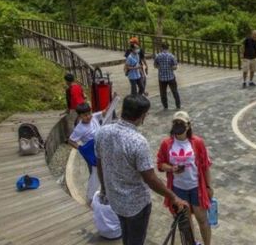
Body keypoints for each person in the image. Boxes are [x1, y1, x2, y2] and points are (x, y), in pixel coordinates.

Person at [95, 95, 188, 245]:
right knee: (136, 240)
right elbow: (150, 178)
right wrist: (173, 197)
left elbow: (100, 163)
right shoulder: (138, 142)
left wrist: (104, 189)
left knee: (126, 233)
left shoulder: (102, 132)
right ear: (142, 116)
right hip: (136, 205)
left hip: (115, 200)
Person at [157, 111, 213, 245]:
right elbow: (160, 164)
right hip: (178, 189)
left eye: (181, 123)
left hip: (196, 187)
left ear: (188, 126)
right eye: (175, 122)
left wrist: (209, 187)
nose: (177, 125)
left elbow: (205, 166)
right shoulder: (166, 144)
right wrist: (171, 168)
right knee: (186, 222)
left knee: (202, 219)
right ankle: (191, 243)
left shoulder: (197, 143)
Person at [68, 103, 106, 203]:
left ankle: (103, 190)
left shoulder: (93, 117)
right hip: (92, 154)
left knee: (102, 172)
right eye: (85, 115)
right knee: (95, 174)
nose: (88, 117)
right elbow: (71, 141)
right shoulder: (79, 128)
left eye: (89, 113)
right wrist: (82, 149)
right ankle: (90, 197)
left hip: (101, 149)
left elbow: (104, 112)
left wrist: (114, 100)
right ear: (80, 116)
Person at [154, 42, 181, 110]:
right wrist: (170, 67)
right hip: (171, 77)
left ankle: (165, 106)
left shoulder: (158, 56)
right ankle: (178, 105)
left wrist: (160, 67)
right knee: (175, 91)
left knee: (163, 93)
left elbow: (155, 65)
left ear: (161, 48)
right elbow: (175, 67)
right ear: (168, 48)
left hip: (161, 78)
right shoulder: (171, 56)